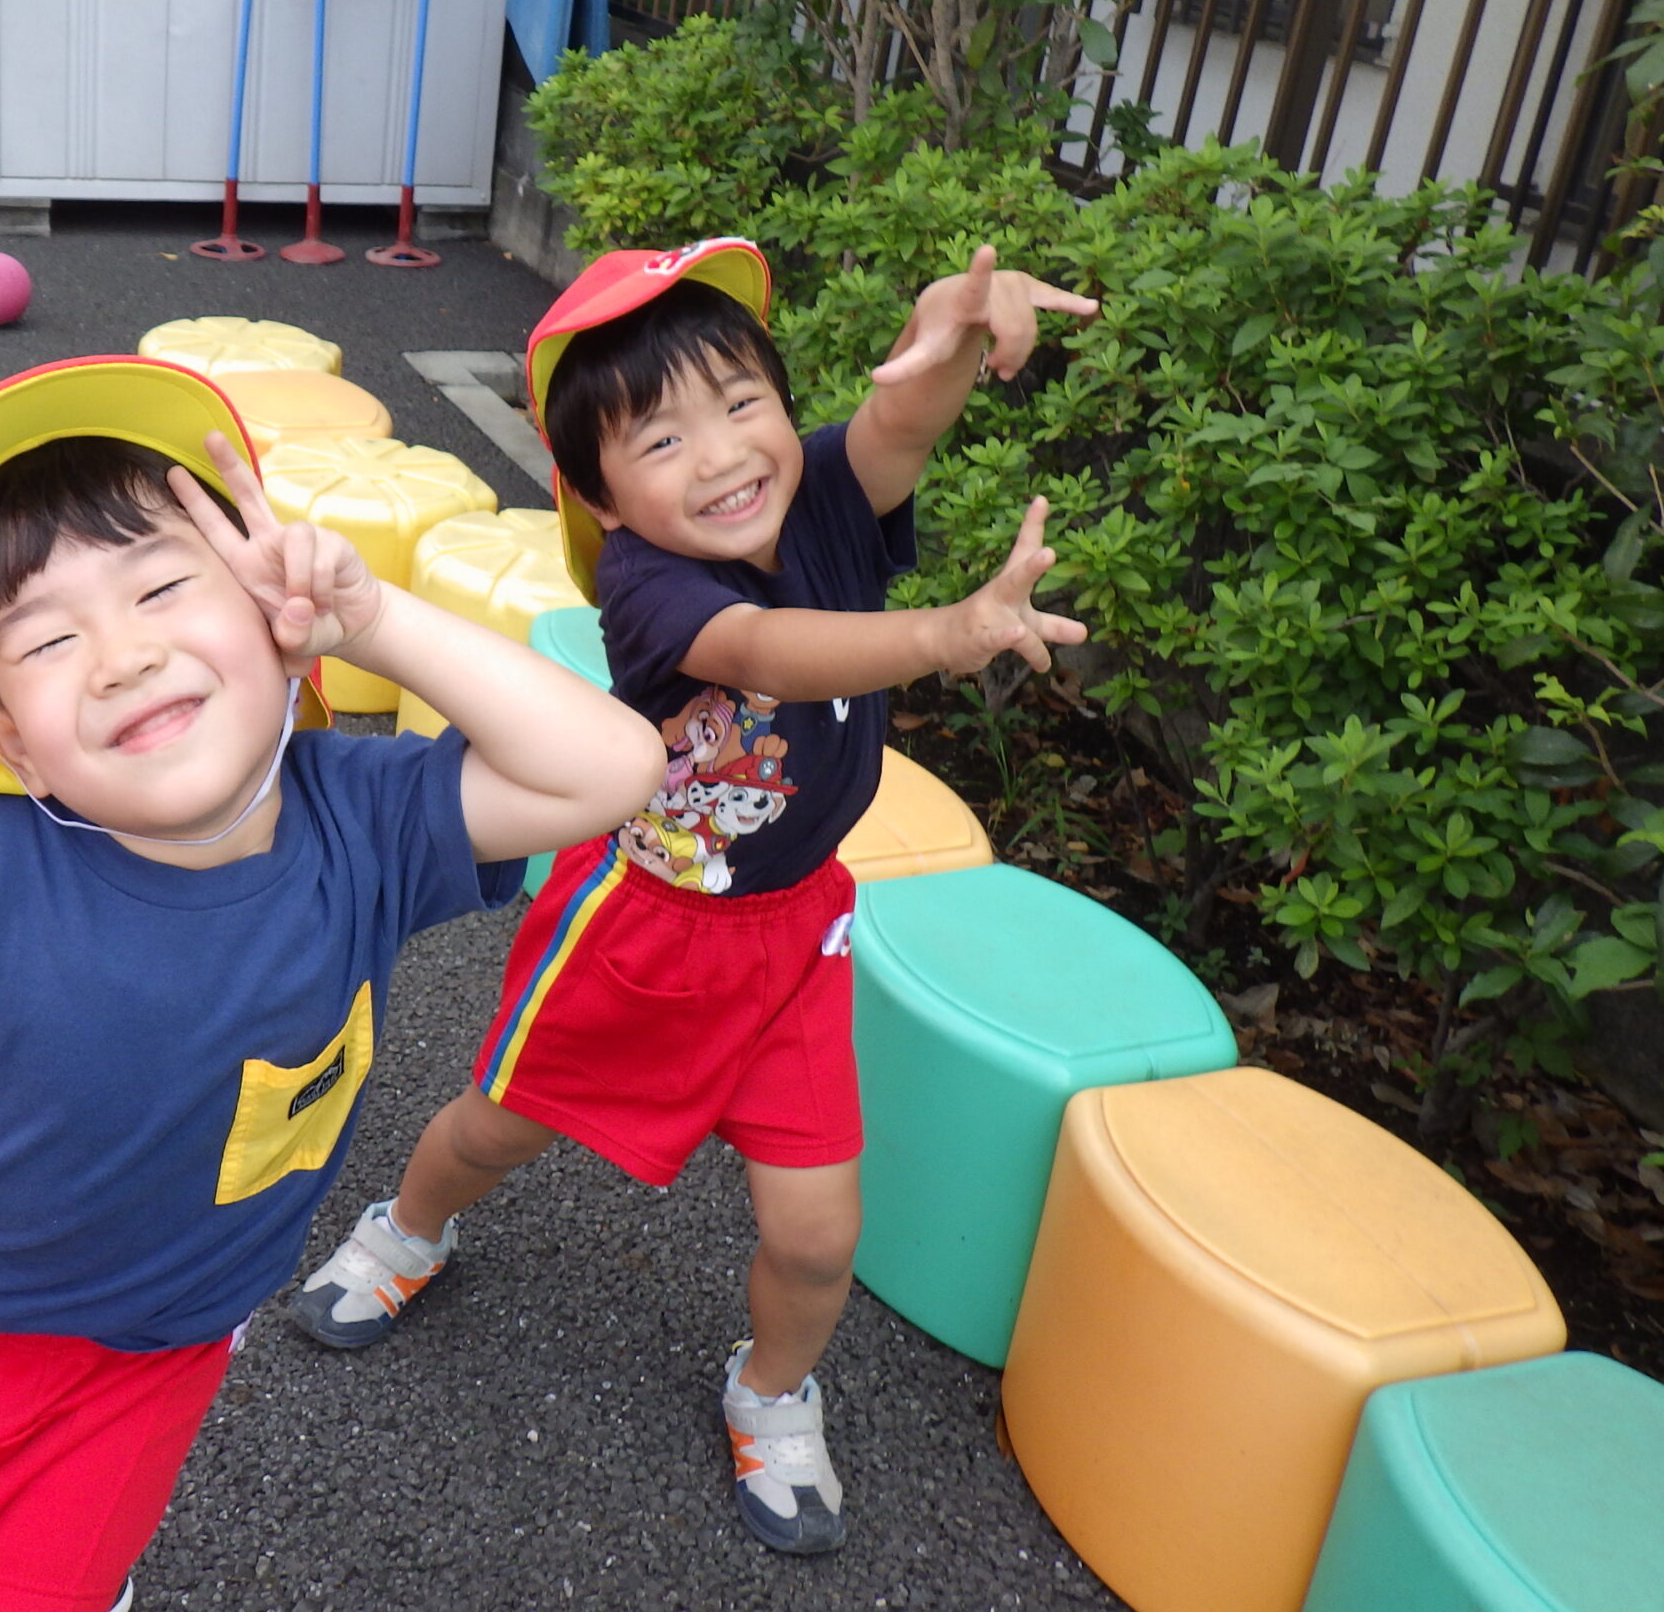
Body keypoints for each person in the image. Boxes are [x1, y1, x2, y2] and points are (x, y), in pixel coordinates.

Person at [0, 357, 666, 1612]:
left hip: (177, 1331)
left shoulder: (364, 820)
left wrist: (375, 619)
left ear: (279, 621)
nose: (121, 655)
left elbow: (611, 770)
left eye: (166, 587)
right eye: (47, 641)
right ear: (12, 741)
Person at [291, 237, 1097, 1558]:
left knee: (818, 1232)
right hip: (644, 927)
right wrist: (942, 635)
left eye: (740, 402)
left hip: (797, 935)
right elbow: (769, 648)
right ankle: (409, 1229)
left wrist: (949, 332)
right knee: (497, 1127)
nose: (722, 456)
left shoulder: (820, 497)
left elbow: (899, 422)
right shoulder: (651, 587)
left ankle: (771, 1390)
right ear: (601, 498)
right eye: (660, 441)